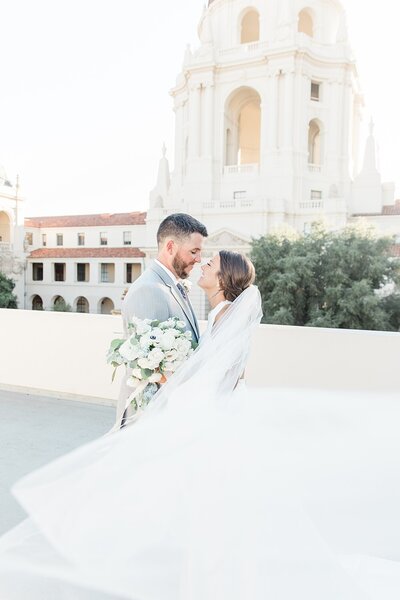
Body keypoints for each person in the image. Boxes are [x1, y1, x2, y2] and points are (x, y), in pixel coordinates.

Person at [1, 252, 400, 599]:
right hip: (215, 411)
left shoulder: (225, 314)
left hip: (214, 416)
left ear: (223, 279)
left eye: (210, 264)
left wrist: (169, 385)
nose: (203, 265)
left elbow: (223, 376)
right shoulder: (221, 312)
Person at [114, 212, 208, 430]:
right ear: (170, 247)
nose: (198, 259)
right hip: (150, 415)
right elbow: (148, 367)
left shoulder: (171, 285)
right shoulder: (149, 290)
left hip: (170, 411)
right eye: (193, 251)